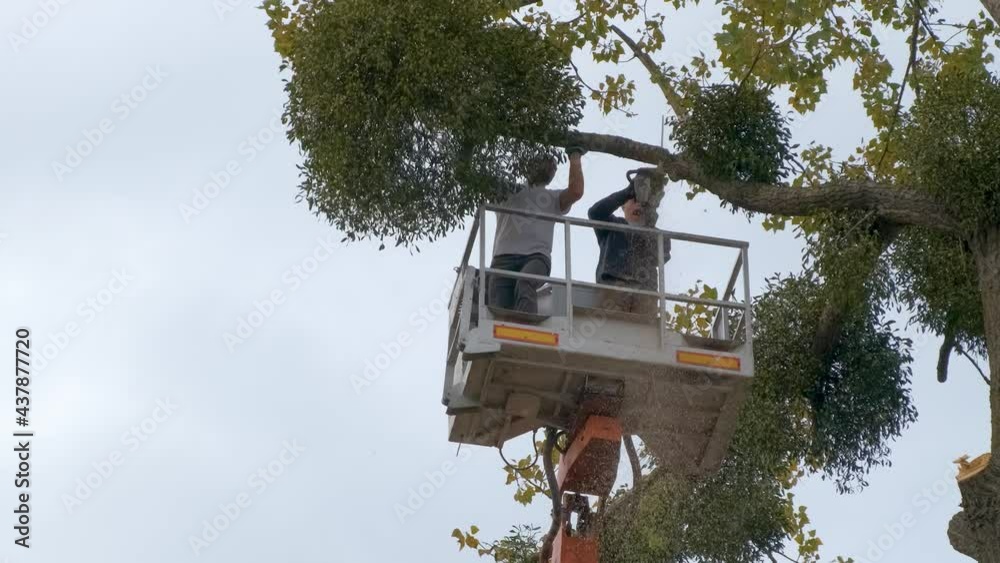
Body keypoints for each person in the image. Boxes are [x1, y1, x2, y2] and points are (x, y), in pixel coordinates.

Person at [488, 148, 586, 314]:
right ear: (527, 165)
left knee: (526, 282)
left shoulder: (553, 198)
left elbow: (576, 191)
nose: (550, 167)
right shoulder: (507, 191)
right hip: (503, 260)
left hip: (536, 257)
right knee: (499, 311)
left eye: (553, 165)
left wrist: (575, 156)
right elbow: (478, 179)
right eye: (543, 162)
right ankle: (510, 335)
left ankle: (525, 329)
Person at [587, 176, 668, 316]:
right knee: (611, 330)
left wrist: (649, 221)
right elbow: (595, 212)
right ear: (623, 206)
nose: (638, 205)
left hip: (645, 293)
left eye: (643, 204)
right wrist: (628, 192)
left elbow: (661, 257)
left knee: (644, 334)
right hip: (614, 288)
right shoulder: (611, 225)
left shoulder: (657, 235)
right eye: (634, 201)